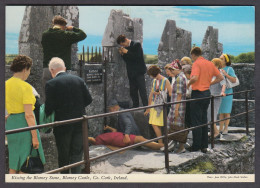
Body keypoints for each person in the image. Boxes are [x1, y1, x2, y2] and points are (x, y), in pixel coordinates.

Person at [45, 57, 92, 174]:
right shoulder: (79, 80)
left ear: (51, 70)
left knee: (63, 157)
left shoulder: (51, 84)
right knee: (77, 155)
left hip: (62, 125)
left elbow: (48, 108)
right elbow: (89, 99)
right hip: (80, 123)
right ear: (65, 68)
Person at [5, 55, 46, 174]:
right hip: (25, 126)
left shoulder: (5, 84)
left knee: (14, 162)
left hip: (12, 124)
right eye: (29, 69)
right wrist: (34, 137)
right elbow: (28, 115)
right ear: (24, 69)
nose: (29, 72)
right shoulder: (26, 87)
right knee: (27, 161)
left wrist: (9, 116)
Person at [41, 15, 87, 101]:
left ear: (53, 24)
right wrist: (73, 28)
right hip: (61, 71)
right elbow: (83, 35)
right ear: (64, 26)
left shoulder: (45, 35)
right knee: (62, 97)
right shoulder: (66, 35)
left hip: (47, 69)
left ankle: (48, 114)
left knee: (47, 97)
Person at [187, 47, 224, 153]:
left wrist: (188, 84)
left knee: (196, 121)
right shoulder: (210, 63)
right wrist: (209, 83)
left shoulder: (196, 64)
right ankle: (204, 145)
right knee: (203, 120)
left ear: (193, 54)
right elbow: (220, 77)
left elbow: (194, 78)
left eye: (192, 56)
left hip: (197, 94)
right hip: (207, 93)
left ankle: (196, 146)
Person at [116, 35, 148, 108]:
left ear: (125, 40)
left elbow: (137, 57)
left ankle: (146, 108)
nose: (122, 46)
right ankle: (135, 107)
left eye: (122, 44)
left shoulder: (136, 44)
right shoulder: (125, 48)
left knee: (142, 90)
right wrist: (122, 54)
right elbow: (127, 61)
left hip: (139, 72)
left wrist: (127, 52)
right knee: (133, 91)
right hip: (131, 73)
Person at [144, 65, 172, 144]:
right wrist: (148, 107)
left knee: (155, 124)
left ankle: (161, 143)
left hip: (161, 104)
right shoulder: (154, 81)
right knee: (156, 124)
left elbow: (170, 93)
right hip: (154, 103)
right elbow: (151, 94)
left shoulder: (165, 80)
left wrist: (161, 93)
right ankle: (161, 143)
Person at [167, 60, 187, 153]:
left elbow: (179, 95)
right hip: (178, 105)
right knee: (176, 126)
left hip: (178, 105)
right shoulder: (182, 76)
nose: (171, 72)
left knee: (177, 126)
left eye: (172, 70)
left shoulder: (179, 78)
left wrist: (176, 109)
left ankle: (181, 147)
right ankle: (176, 146)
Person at [88, 125, 164, 150]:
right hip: (120, 139)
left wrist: (108, 127)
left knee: (140, 139)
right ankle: (160, 146)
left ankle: (160, 146)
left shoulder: (101, 137)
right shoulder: (97, 141)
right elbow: (91, 139)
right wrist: (86, 138)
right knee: (140, 139)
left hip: (120, 136)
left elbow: (114, 131)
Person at [207, 58, 226, 138]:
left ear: (217, 65)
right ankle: (212, 132)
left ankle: (216, 132)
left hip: (216, 97)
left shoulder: (220, 73)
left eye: (213, 63)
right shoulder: (212, 73)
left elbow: (223, 84)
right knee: (209, 114)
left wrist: (222, 92)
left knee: (212, 115)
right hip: (210, 96)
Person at [218, 54, 237, 135]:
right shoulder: (218, 69)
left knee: (226, 111)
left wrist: (226, 74)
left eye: (222, 59)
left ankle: (226, 128)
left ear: (226, 60)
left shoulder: (230, 69)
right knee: (220, 111)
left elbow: (234, 80)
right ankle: (220, 128)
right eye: (220, 59)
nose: (220, 60)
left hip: (228, 92)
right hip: (220, 92)